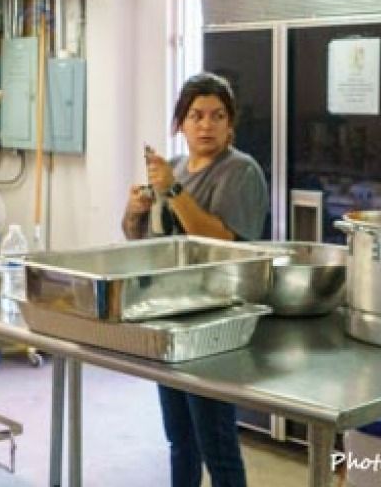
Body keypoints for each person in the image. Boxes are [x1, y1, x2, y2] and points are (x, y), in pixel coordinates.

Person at [122, 72, 268, 487]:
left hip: (213, 322)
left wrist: (173, 192)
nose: (207, 125)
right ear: (180, 125)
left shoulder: (240, 172)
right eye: (196, 115)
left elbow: (221, 240)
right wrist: (134, 209)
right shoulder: (173, 167)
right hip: (169, 315)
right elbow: (146, 240)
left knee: (217, 443)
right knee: (180, 439)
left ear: (230, 124)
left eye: (217, 116)